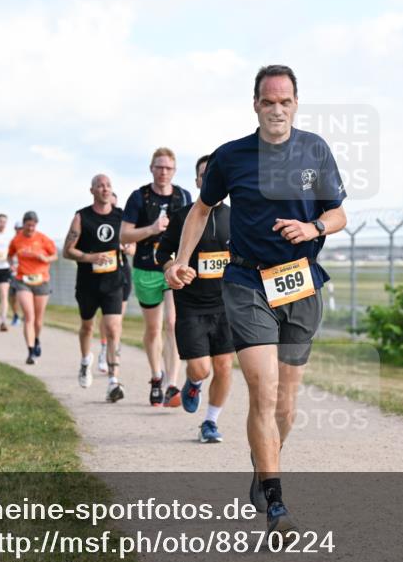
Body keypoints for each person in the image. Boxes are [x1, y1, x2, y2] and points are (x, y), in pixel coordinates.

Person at [167, 65, 347, 534]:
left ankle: (263, 463)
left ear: (296, 104)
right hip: (247, 284)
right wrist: (179, 260)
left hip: (301, 283)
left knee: (286, 405)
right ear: (255, 105)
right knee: (263, 393)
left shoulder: (315, 150)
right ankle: (276, 503)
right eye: (268, 101)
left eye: (285, 101)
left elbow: (339, 212)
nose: (277, 109)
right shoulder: (232, 156)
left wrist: (314, 228)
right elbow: (201, 208)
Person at [158, 154, 233, 443]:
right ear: (198, 181)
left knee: (224, 366)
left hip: (226, 304)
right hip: (190, 305)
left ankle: (210, 422)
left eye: (215, 175)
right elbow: (163, 254)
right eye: (204, 176)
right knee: (201, 368)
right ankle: (193, 382)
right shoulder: (182, 216)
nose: (209, 180)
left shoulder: (235, 216)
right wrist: (172, 268)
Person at [121, 147, 192, 407]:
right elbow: (124, 236)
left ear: (174, 171)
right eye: (159, 167)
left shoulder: (183, 196)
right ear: (151, 168)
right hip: (145, 269)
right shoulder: (139, 197)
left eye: (168, 168)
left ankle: (173, 384)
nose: (163, 172)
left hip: (172, 267)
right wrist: (151, 229)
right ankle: (156, 376)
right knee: (153, 329)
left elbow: (192, 230)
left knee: (173, 323)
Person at [63, 175, 126, 402]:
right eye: (100, 185)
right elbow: (67, 250)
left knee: (112, 328)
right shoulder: (82, 217)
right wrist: (90, 257)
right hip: (88, 283)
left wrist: (128, 246)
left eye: (108, 185)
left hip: (113, 282)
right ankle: (85, 361)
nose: (105, 188)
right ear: (92, 191)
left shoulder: (121, 216)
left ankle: (113, 381)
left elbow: (132, 242)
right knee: (87, 327)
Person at [8, 211, 57, 365]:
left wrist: (46, 258)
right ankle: (30, 351)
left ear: (36, 224)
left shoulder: (43, 239)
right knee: (29, 316)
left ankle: (36, 340)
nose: (30, 228)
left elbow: (54, 255)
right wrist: (12, 265)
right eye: (28, 225)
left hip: (41, 281)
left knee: (38, 319)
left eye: (33, 225)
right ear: (23, 224)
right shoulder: (17, 240)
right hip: (23, 280)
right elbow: (10, 255)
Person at [97, 192, 134, 374]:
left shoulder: (122, 220)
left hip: (121, 271)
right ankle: (105, 349)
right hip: (102, 273)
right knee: (107, 317)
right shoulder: (96, 222)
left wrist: (127, 247)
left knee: (117, 318)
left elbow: (133, 247)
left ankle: (114, 350)